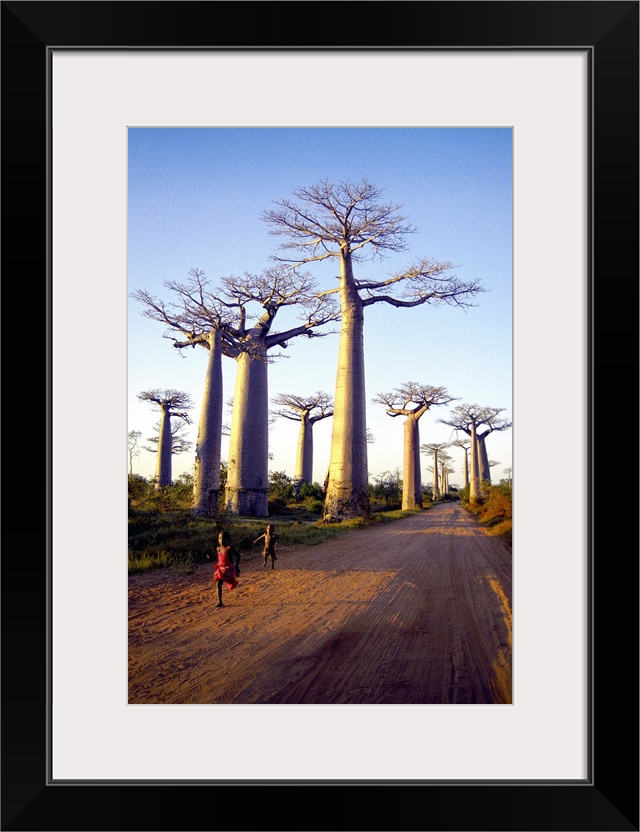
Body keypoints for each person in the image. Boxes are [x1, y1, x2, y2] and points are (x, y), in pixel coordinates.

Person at [207, 530, 241, 608]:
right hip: (220, 568)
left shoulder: (229, 548)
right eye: (220, 538)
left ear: (228, 540)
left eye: (223, 538)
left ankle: (235, 578)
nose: (221, 540)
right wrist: (211, 557)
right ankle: (220, 602)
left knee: (232, 583)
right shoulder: (218, 549)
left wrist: (236, 566)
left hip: (229, 569)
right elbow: (219, 557)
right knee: (218, 583)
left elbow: (238, 556)